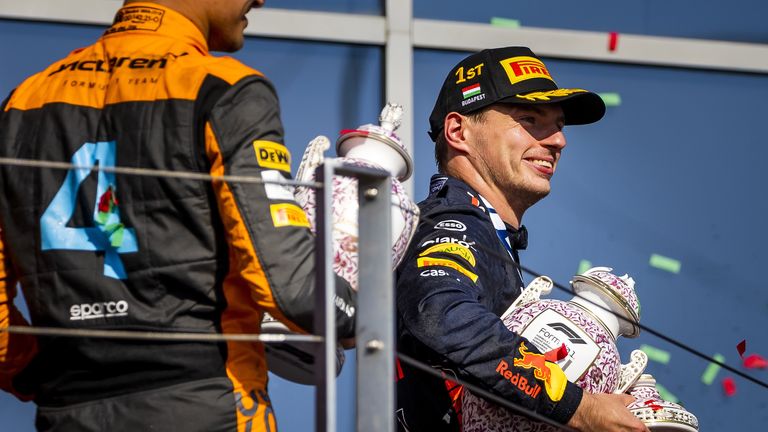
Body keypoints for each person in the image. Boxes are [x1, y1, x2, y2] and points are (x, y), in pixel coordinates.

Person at [0, 1, 356, 431]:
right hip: (204, 401)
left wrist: (47, 375)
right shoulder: (223, 87)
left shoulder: (21, 103)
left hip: (68, 412)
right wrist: (369, 315)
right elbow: (295, 289)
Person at [395, 46, 649, 431]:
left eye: (559, 125)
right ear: (458, 131)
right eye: (529, 119)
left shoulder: (485, 230)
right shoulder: (455, 220)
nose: (558, 141)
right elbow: (441, 314)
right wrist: (580, 408)